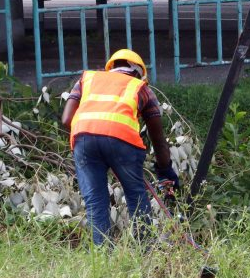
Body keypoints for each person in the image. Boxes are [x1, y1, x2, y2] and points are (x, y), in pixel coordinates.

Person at [61, 49, 176, 246]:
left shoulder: (87, 79)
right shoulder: (141, 88)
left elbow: (66, 120)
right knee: (135, 194)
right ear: (139, 72)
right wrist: (166, 171)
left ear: (111, 67)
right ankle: (145, 251)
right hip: (123, 143)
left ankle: (103, 257)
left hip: (83, 140)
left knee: (95, 202)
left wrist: (94, 137)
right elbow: (157, 138)